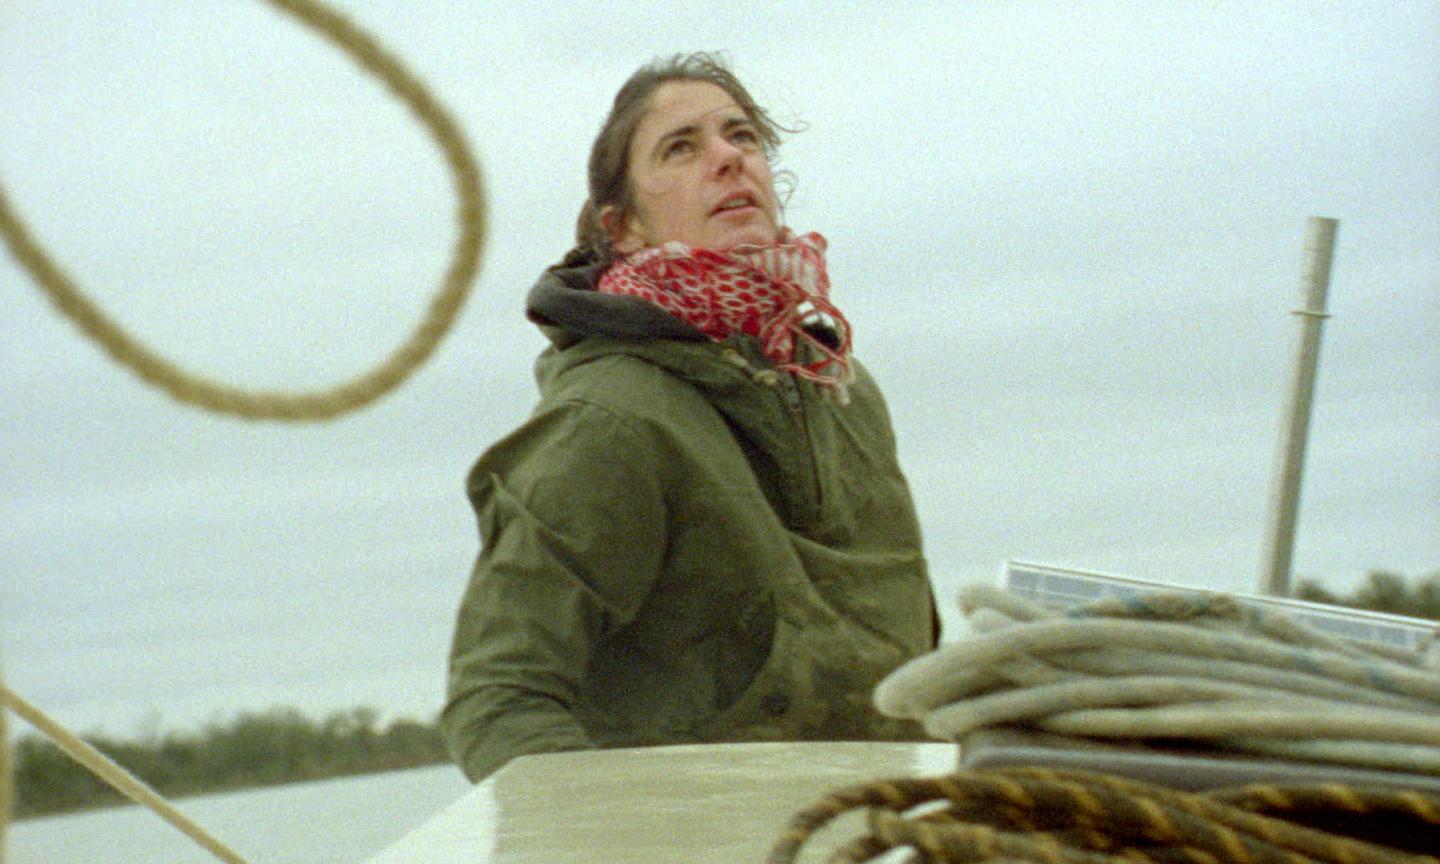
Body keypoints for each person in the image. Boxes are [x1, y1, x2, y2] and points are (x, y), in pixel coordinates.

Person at [440, 52, 940, 783]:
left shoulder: (843, 389)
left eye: (741, 137)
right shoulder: (608, 421)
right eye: (682, 147)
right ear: (626, 227)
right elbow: (498, 702)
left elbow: (909, 650)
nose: (728, 158)